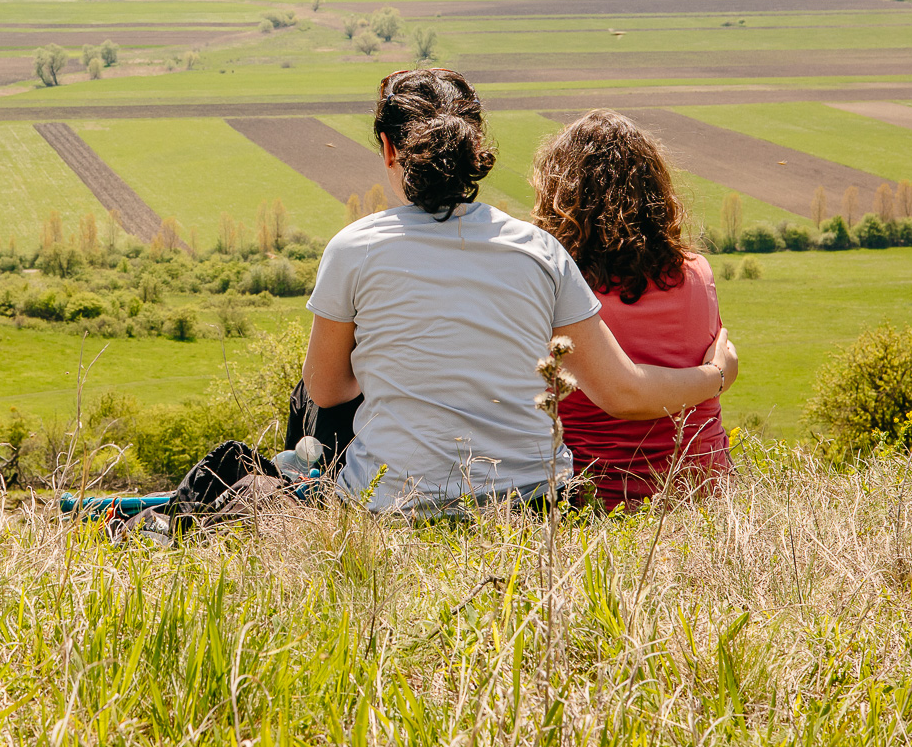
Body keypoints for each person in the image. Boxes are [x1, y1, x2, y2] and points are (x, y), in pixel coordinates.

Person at [301, 69, 737, 511]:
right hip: (531, 505)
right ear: (474, 145)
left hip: (393, 507)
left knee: (315, 389)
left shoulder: (354, 248)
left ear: (390, 147)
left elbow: (325, 390)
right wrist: (717, 375)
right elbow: (620, 390)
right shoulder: (539, 250)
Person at [532, 109, 732, 507]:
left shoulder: (554, 289)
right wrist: (718, 375)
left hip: (598, 503)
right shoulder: (698, 273)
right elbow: (719, 355)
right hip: (706, 497)